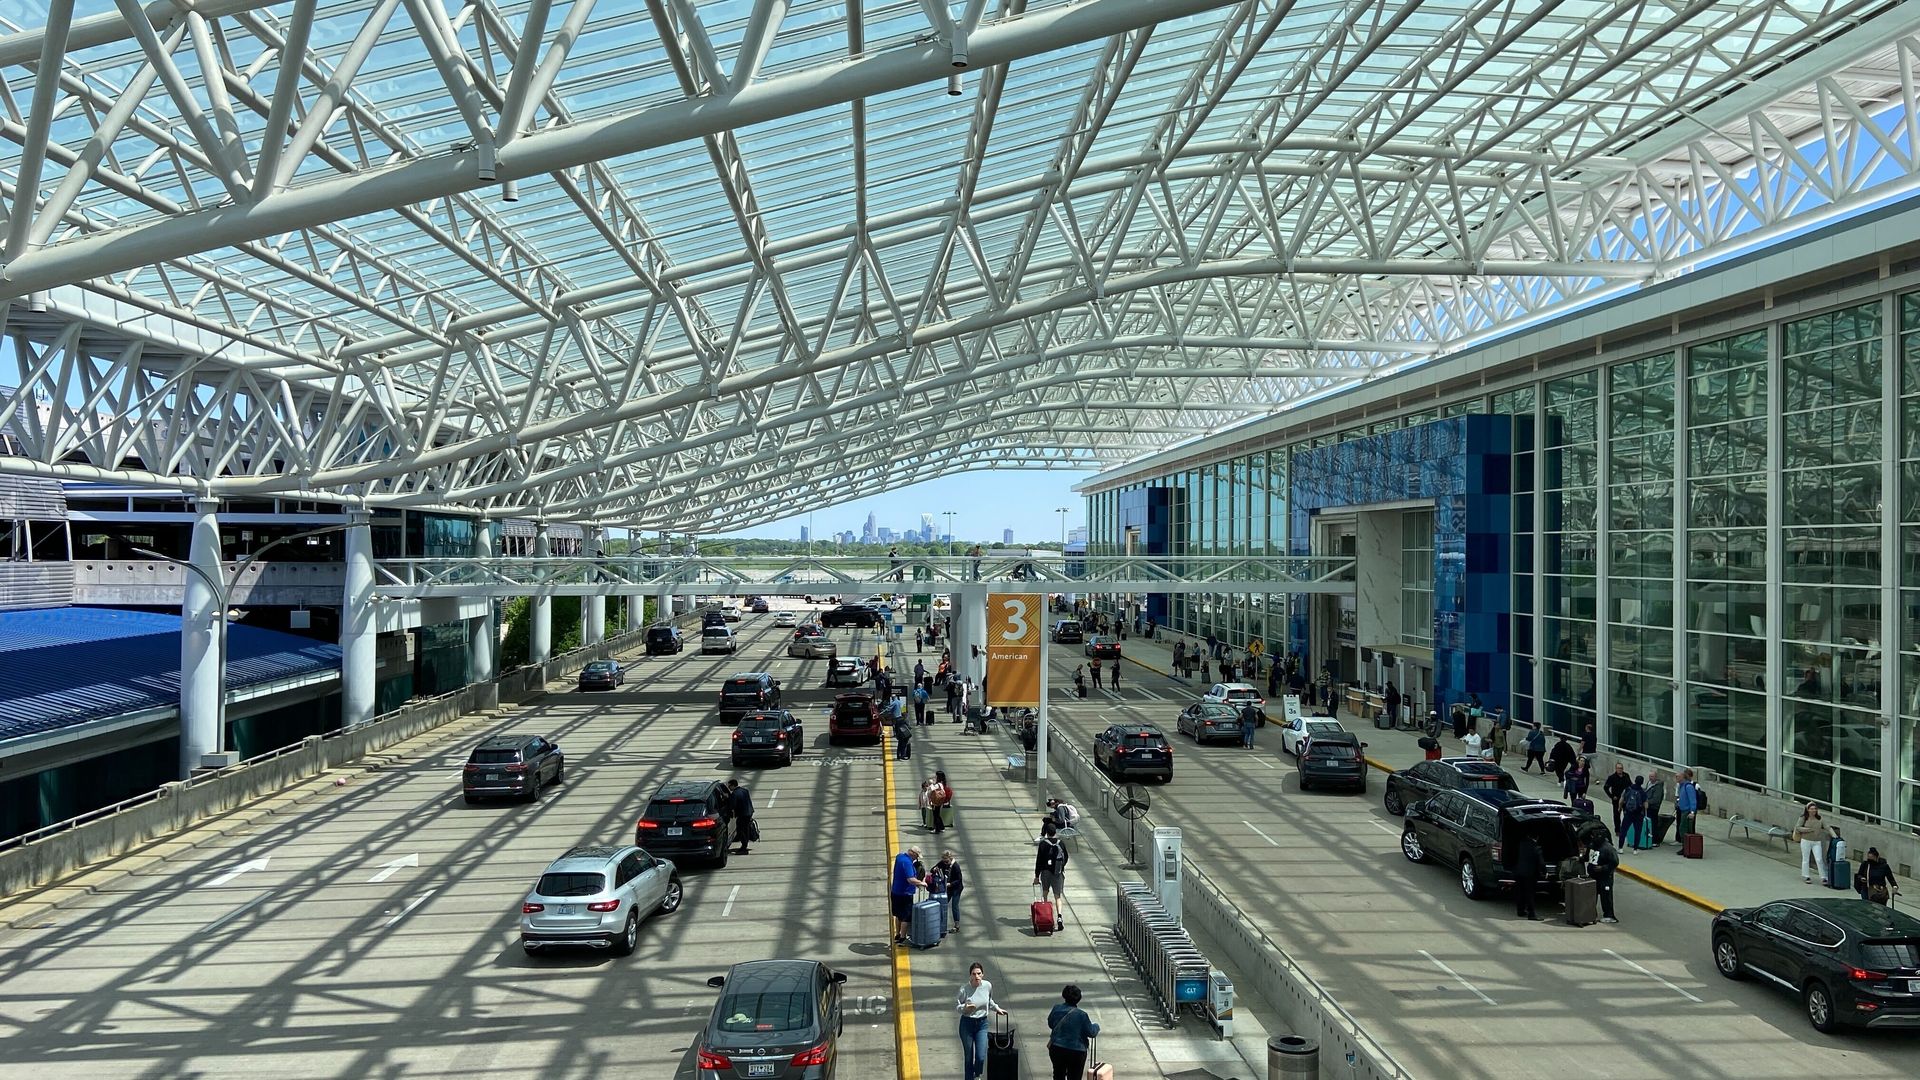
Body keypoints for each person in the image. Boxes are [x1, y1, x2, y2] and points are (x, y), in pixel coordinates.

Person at [955, 962, 1008, 1080]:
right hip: (967, 1025)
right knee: (969, 1056)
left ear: (983, 974)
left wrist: (997, 1009)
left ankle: (977, 1074)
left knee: (980, 1056)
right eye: (973, 974)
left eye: (979, 973)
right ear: (970, 976)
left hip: (982, 1024)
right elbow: (957, 1007)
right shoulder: (964, 989)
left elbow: (989, 1000)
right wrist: (965, 1008)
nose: (976, 976)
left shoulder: (987, 986)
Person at [1046, 985, 1100, 1080]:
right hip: (1076, 1052)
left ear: (1064, 995)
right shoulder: (1082, 1015)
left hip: (1057, 1049)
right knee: (1075, 1077)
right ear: (1078, 999)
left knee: (1058, 1075)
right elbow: (1091, 1033)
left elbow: (1051, 1024)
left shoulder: (1056, 1008)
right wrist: (1096, 1026)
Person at [1034, 822, 1069, 930]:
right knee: (1057, 896)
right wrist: (1060, 867)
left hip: (1045, 872)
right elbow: (1066, 857)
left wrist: (1036, 875)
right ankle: (1059, 917)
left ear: (1047, 833)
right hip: (1057, 873)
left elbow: (1039, 860)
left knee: (1045, 893)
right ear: (1055, 832)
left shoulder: (1043, 844)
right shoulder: (1061, 843)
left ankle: (1046, 915)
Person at [891, 845, 925, 944]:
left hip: (895, 891)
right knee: (906, 916)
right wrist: (921, 883)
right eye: (916, 856)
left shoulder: (899, 857)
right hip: (905, 893)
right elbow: (910, 879)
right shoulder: (907, 863)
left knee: (898, 914)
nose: (916, 858)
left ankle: (897, 933)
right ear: (912, 853)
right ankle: (902, 937)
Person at [1585, 832, 1620, 923]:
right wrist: (1580, 859)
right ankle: (1590, 914)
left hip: (1605, 877)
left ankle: (1609, 915)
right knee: (1592, 896)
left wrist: (1603, 868)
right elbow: (1587, 856)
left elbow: (1614, 862)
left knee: (1606, 897)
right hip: (1593, 876)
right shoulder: (1592, 845)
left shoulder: (1608, 849)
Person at [1512, 832, 1545, 920]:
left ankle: (1520, 911)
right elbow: (1541, 863)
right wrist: (1544, 872)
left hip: (1518, 872)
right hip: (1530, 874)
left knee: (1520, 892)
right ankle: (1532, 914)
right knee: (1530, 894)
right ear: (1537, 838)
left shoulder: (1521, 844)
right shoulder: (1537, 847)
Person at [1795, 802, 1828, 885]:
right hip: (1806, 840)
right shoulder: (1803, 818)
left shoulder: (1820, 818)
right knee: (1806, 858)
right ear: (1808, 810)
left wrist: (1834, 836)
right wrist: (1808, 829)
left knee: (1819, 859)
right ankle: (1806, 876)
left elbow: (1827, 827)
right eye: (1812, 809)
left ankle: (1824, 877)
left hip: (1817, 841)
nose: (1814, 810)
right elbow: (1798, 827)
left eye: (1815, 809)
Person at [725, 778, 756, 855]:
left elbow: (732, 805)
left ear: (733, 785)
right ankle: (745, 844)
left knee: (740, 830)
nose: (729, 788)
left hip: (742, 814)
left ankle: (744, 847)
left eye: (729, 786)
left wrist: (728, 799)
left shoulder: (734, 794)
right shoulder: (745, 790)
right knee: (746, 829)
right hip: (749, 812)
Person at [1673, 768, 1701, 851]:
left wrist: (1692, 812)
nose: (1676, 778)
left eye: (1678, 776)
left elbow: (1693, 800)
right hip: (1682, 810)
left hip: (1687, 811)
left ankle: (1686, 847)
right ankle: (1685, 846)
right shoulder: (1682, 786)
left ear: (1683, 777)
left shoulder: (1688, 787)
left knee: (1684, 829)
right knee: (1682, 828)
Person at [1619, 776, 1647, 851]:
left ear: (1634, 780)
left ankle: (1620, 847)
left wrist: (1620, 808)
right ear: (1642, 782)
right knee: (1637, 831)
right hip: (1638, 814)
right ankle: (1635, 849)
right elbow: (1646, 804)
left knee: (1623, 830)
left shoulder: (1628, 789)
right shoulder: (1642, 792)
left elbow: (1622, 799)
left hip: (1628, 813)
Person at [1603, 763, 1631, 837]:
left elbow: (1630, 785)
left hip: (1625, 799)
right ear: (1616, 769)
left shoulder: (1626, 776)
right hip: (1616, 799)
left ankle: (1625, 829)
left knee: (1626, 815)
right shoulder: (1612, 777)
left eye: (1621, 768)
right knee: (1616, 815)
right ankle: (1617, 830)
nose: (1620, 770)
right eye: (1618, 768)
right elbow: (1606, 787)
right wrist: (1611, 796)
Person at [1644, 770, 1668, 845]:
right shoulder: (1649, 783)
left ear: (1656, 777)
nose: (1650, 778)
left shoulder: (1658, 786)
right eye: (1650, 776)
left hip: (1653, 807)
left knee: (1653, 823)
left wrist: (1647, 802)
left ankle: (1655, 840)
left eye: (1652, 776)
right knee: (1649, 823)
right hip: (1648, 806)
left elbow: (1656, 799)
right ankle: (1650, 837)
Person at [928, 770, 953, 834]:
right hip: (940, 801)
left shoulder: (937, 784)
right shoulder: (942, 784)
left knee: (935, 815)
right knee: (937, 814)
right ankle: (941, 827)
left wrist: (931, 783)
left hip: (935, 802)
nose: (935, 776)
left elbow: (931, 789)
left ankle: (937, 829)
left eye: (936, 775)